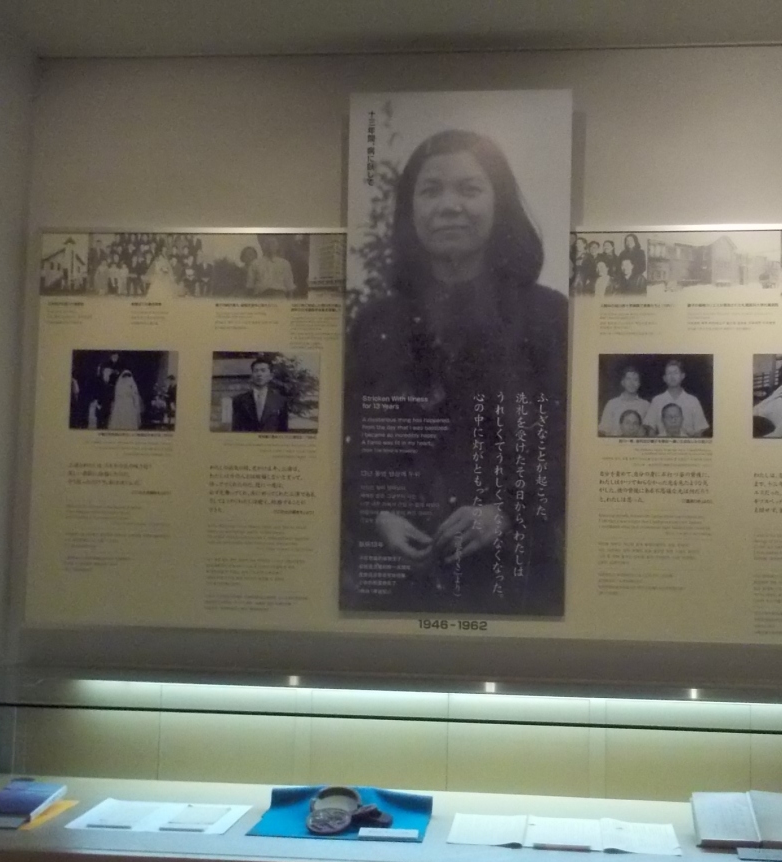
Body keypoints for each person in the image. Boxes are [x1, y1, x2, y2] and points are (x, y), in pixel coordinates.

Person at [342, 128, 568, 615]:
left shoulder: (549, 317)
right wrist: (377, 515)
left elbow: (568, 447)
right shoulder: (374, 324)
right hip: (398, 585)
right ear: (411, 209)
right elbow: (348, 449)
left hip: (516, 581)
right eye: (431, 190)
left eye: (469, 189)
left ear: (499, 202)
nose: (449, 206)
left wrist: (506, 513)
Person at [647, 358, 709, 437]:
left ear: (682, 376)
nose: (672, 376)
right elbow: (651, 429)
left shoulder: (693, 401)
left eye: (675, 373)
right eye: (669, 373)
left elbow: (699, 430)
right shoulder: (657, 400)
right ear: (664, 378)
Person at [232, 358, 289, 431]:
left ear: (271, 376)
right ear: (252, 375)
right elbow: (236, 429)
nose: (259, 374)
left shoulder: (280, 401)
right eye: (256, 371)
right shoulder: (239, 400)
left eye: (263, 370)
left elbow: (283, 430)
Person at [598, 367, 650, 437]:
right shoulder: (611, 404)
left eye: (635, 380)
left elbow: (649, 431)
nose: (631, 383)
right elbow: (603, 430)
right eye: (628, 379)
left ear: (639, 384)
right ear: (622, 382)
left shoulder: (646, 405)